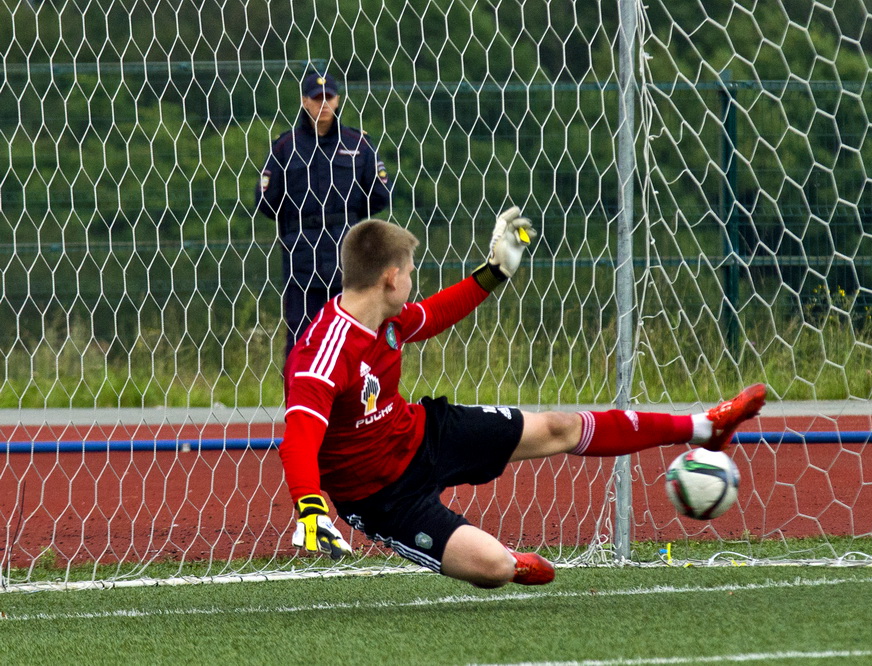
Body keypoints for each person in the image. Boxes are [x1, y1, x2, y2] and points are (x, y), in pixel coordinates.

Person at [278, 207, 766, 588]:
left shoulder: (387, 318)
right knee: (492, 568)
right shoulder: (322, 353)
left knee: (558, 426)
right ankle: (509, 562)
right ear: (390, 277)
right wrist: (311, 509)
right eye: (409, 271)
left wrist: (494, 272)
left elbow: (438, 312)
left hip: (422, 434)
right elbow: (298, 438)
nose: (412, 280)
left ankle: (706, 426)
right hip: (382, 498)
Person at [255, 71, 393, 357]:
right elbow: (266, 200)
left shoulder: (357, 144)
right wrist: (296, 225)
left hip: (348, 255)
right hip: (301, 258)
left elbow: (380, 194)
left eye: (328, 97)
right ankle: (298, 386)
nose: (324, 104)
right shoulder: (285, 147)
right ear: (304, 101)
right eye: (317, 99)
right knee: (302, 334)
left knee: (351, 331)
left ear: (338, 99)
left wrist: (348, 218)